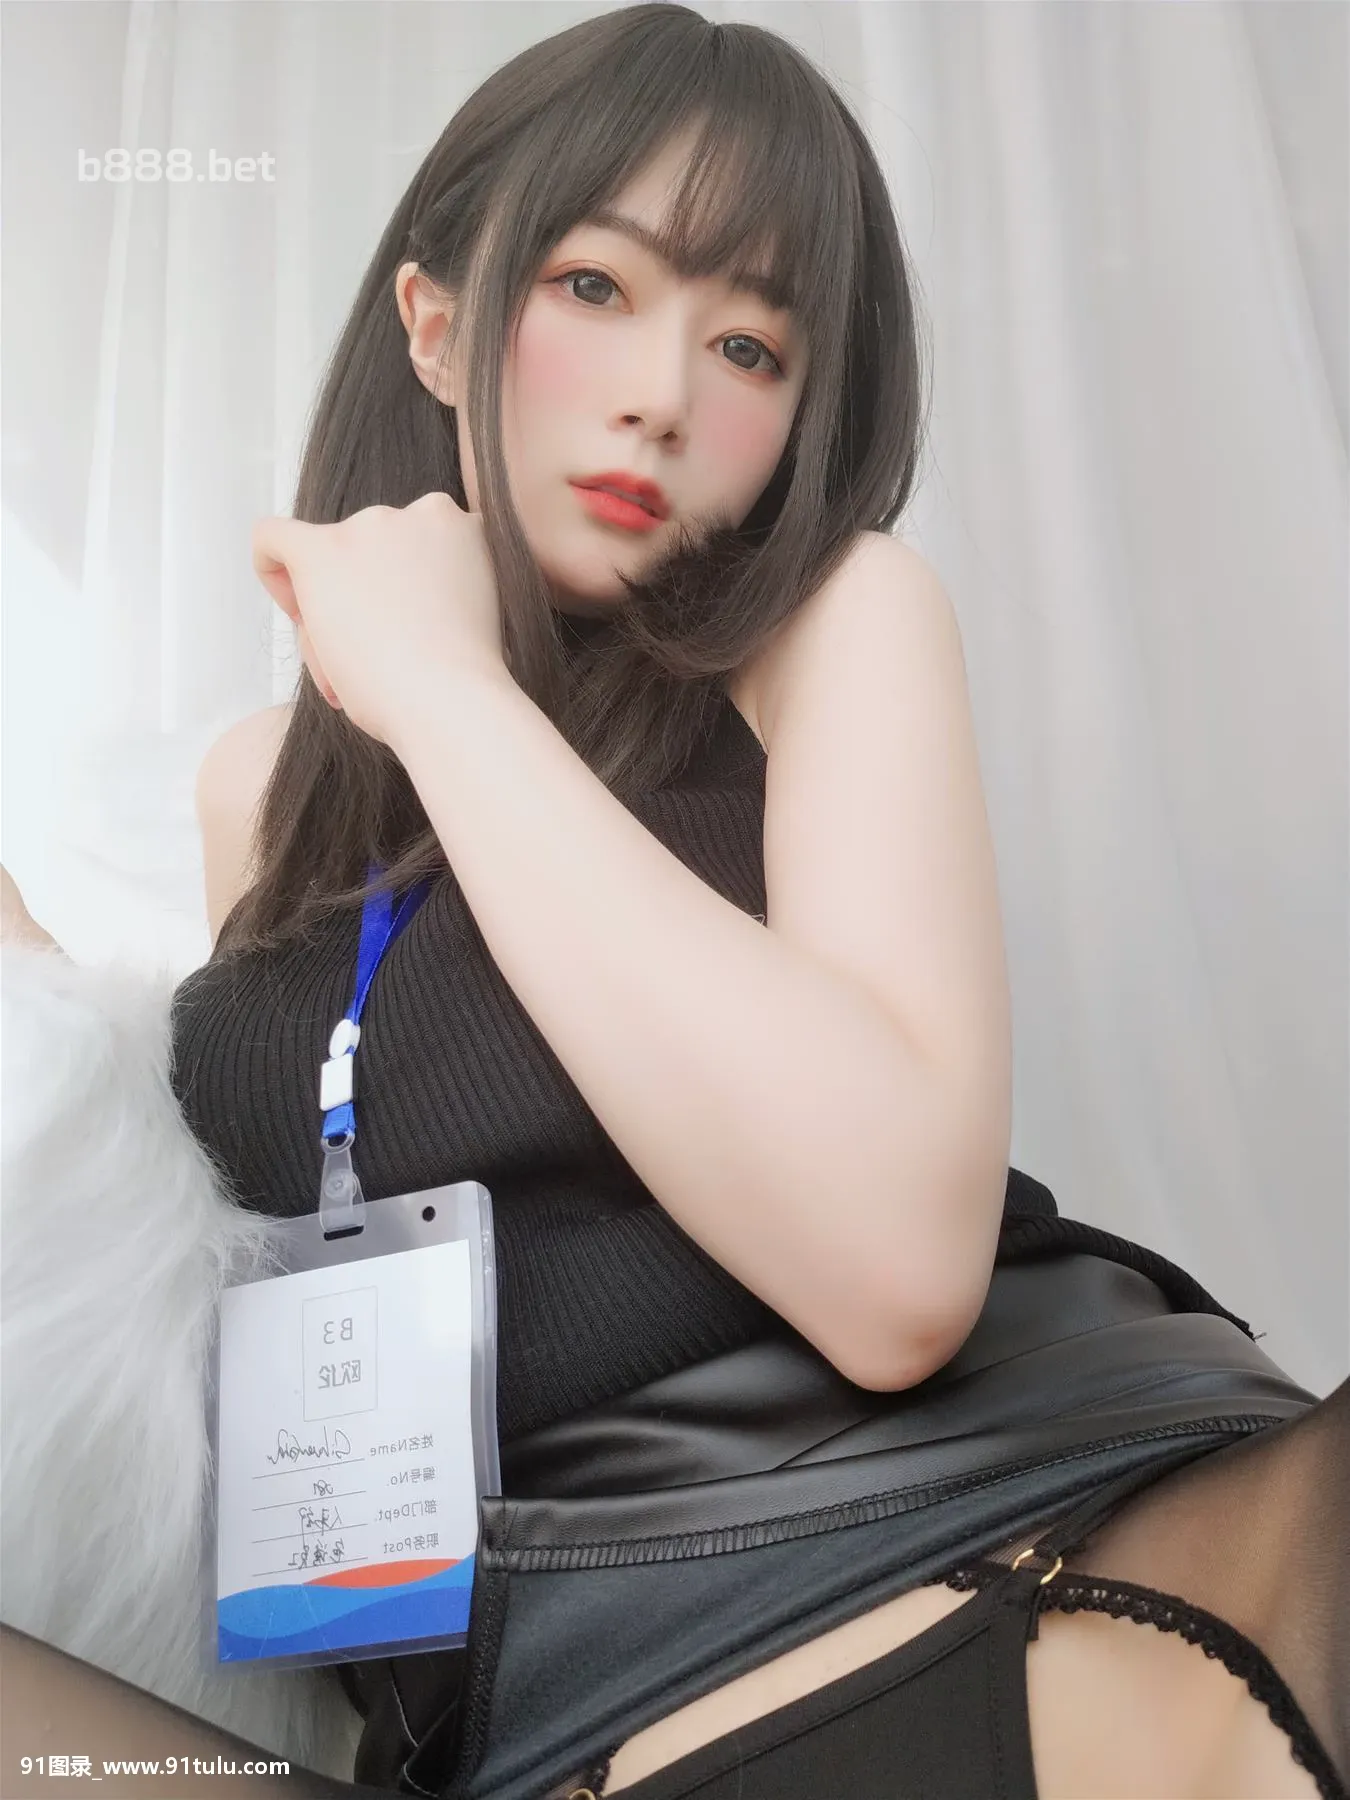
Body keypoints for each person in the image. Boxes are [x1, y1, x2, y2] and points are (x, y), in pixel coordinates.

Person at [2, 7, 1345, 1799]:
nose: (662, 393)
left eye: (748, 344)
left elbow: (894, 1272)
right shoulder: (265, 789)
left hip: (993, 1518)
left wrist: (447, 691)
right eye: (593, 286)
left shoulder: (827, 626)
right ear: (434, 324)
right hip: (532, 1675)